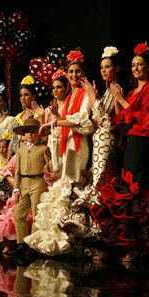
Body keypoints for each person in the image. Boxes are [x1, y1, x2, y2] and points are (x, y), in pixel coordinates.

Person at [90, 42, 149, 263]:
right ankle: (123, 243)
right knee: (125, 187)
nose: (135, 69)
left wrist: (122, 100)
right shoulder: (132, 91)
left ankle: (139, 246)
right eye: (133, 65)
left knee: (134, 188)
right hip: (129, 141)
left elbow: (147, 119)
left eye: (140, 65)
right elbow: (122, 118)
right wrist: (104, 102)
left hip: (141, 141)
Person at [25, 49, 95, 256]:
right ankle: (61, 236)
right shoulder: (72, 95)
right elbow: (63, 124)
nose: (74, 76)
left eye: (77, 72)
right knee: (64, 183)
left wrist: (55, 121)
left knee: (74, 184)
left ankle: (76, 237)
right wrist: (53, 122)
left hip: (78, 145)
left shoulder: (83, 94)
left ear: (83, 73)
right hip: (67, 145)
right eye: (71, 72)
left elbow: (81, 120)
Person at [58, 46, 121, 252]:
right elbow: (97, 119)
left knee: (99, 184)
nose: (104, 71)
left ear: (116, 69)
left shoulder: (114, 89)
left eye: (108, 67)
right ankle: (93, 235)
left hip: (105, 138)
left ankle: (101, 238)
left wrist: (93, 99)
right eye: (102, 67)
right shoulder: (104, 90)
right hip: (99, 138)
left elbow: (102, 119)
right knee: (96, 183)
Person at [7, 118, 52, 255]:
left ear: (37, 134)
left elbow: (51, 167)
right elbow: (17, 172)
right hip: (24, 184)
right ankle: (22, 244)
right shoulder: (21, 151)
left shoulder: (43, 149)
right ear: (24, 135)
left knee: (36, 214)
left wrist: (52, 166)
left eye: (33, 132)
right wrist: (16, 188)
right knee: (18, 214)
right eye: (27, 132)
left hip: (37, 182)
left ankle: (34, 245)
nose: (30, 134)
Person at [8, 76, 41, 159]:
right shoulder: (18, 118)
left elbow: (43, 139)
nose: (23, 98)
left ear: (33, 96)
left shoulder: (38, 115)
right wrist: (8, 162)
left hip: (33, 157)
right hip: (16, 158)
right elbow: (13, 141)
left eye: (26, 95)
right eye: (21, 95)